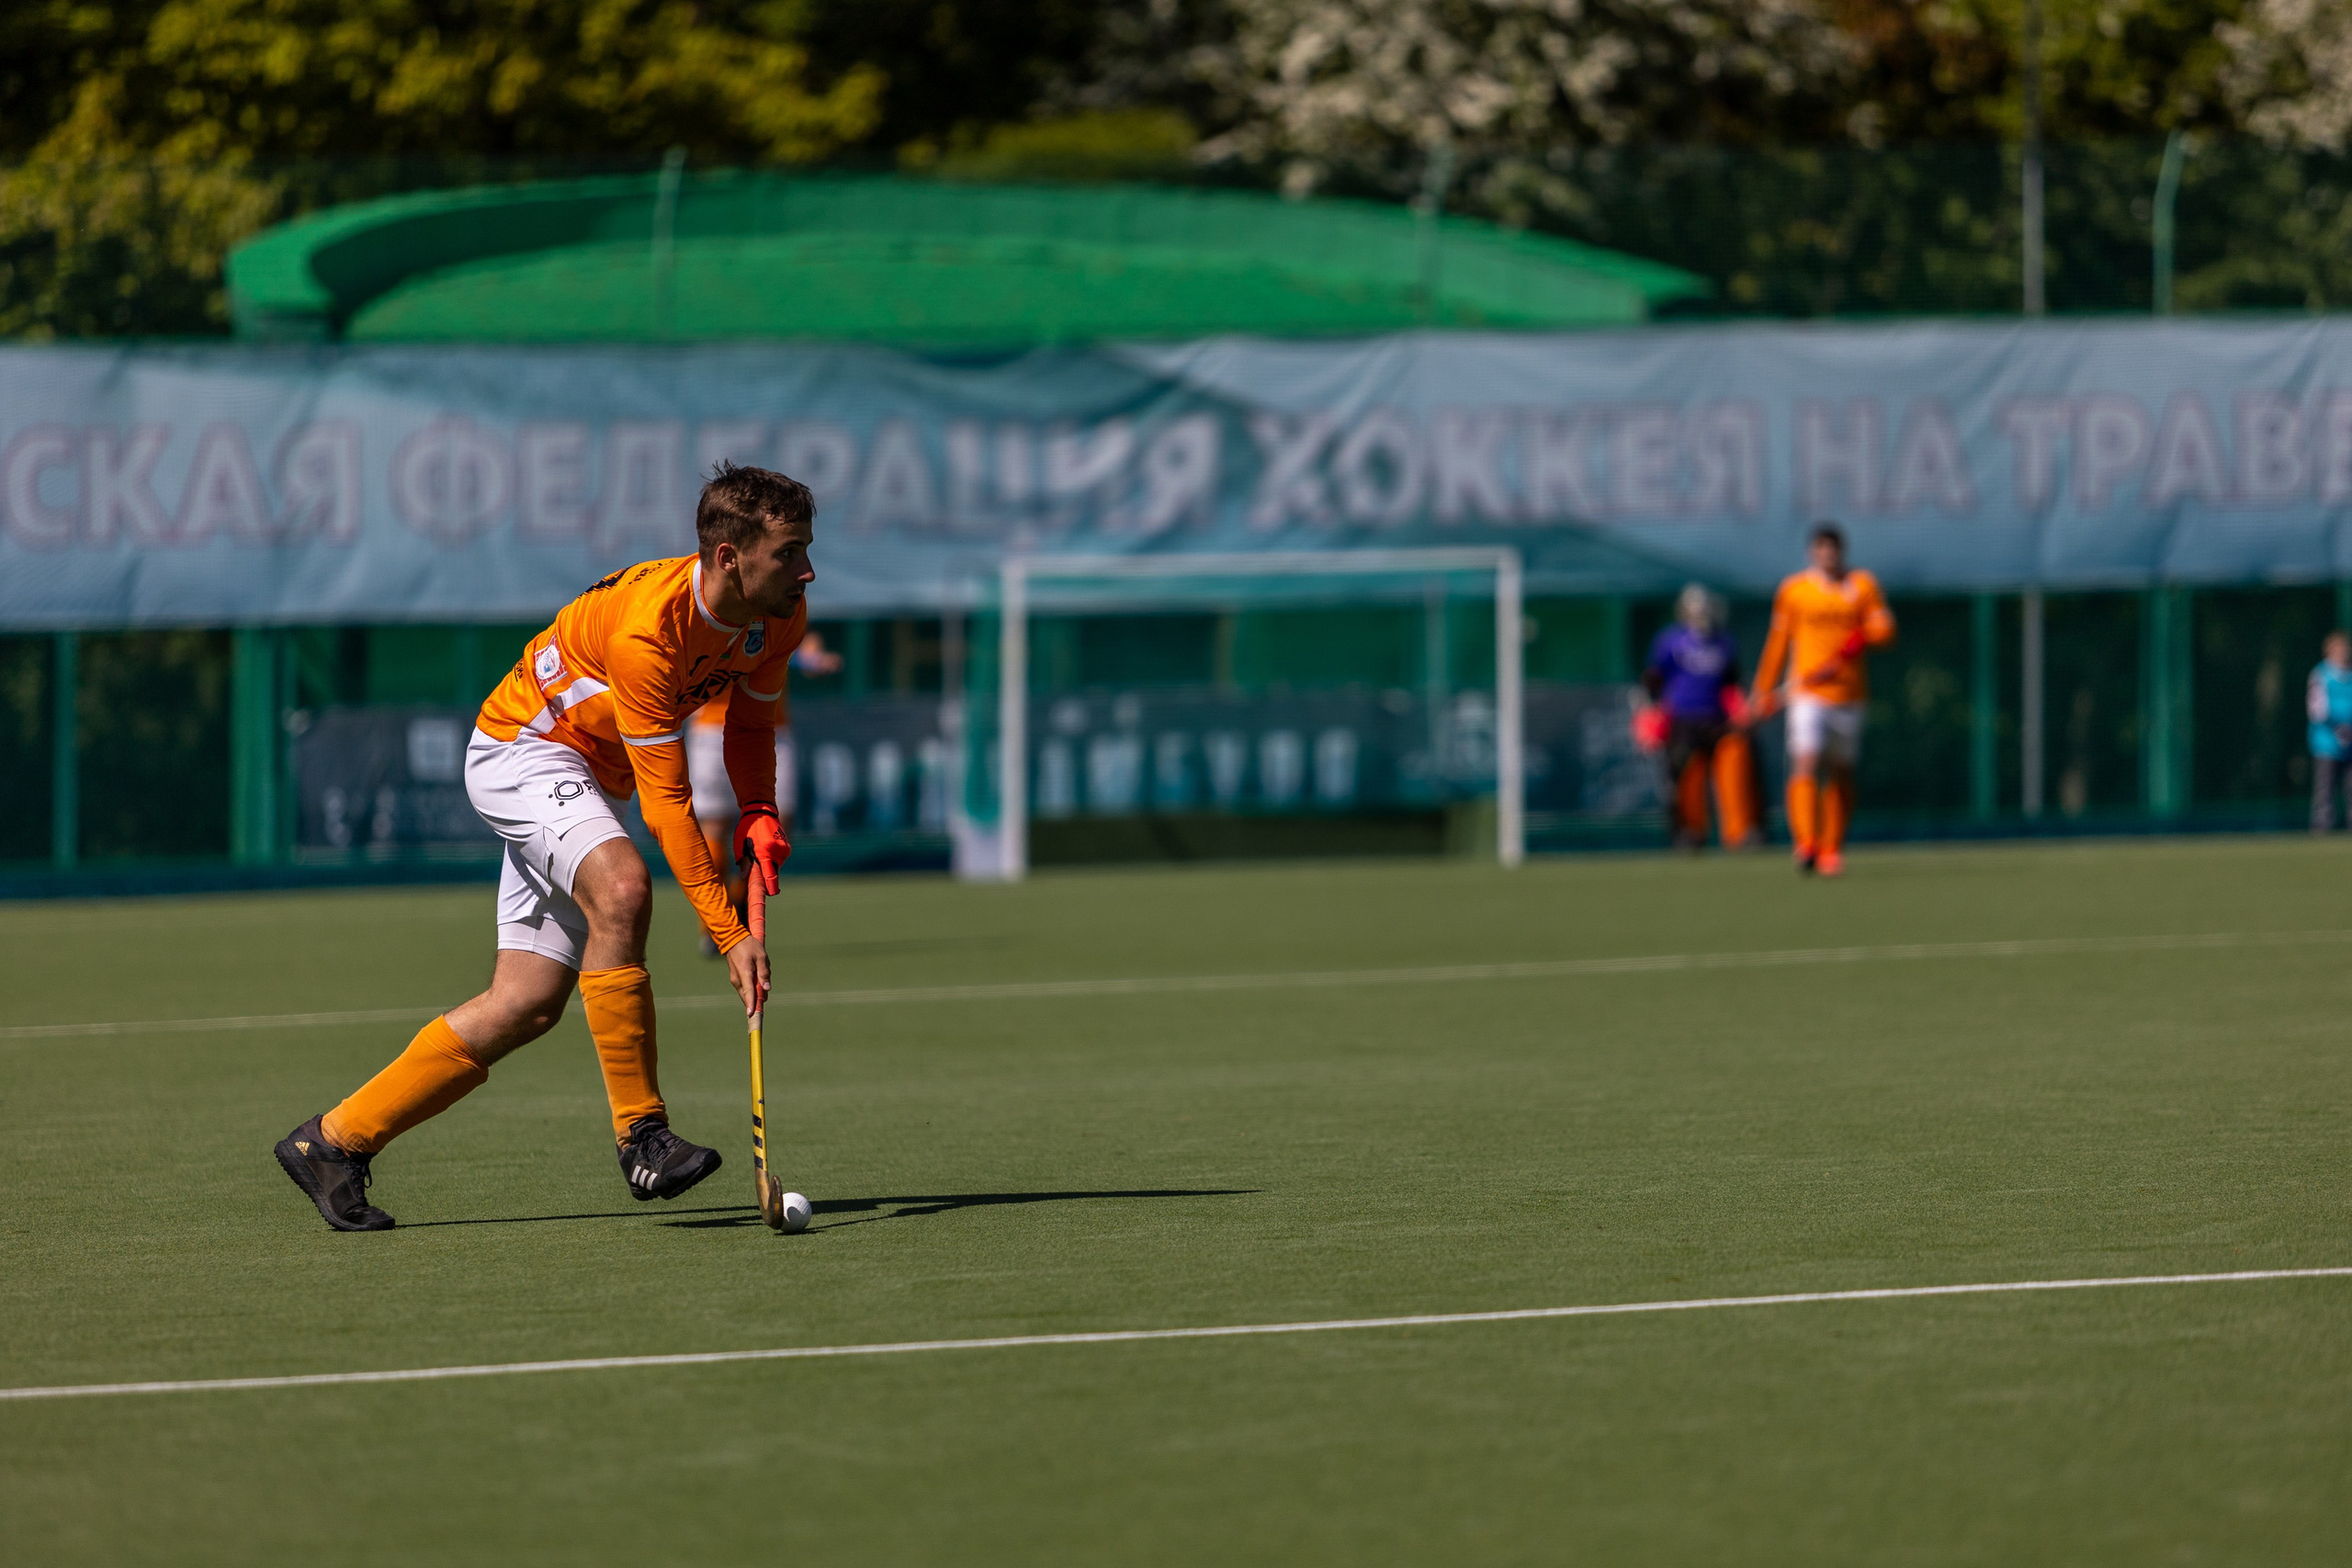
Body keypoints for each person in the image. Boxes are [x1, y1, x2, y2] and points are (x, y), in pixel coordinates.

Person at [274, 463, 813, 1231]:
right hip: (525, 749)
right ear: (730, 556)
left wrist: (758, 808)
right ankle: (643, 1138)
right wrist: (727, 931)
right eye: (790, 551)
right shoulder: (647, 630)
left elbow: (752, 725)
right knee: (623, 887)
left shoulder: (779, 614)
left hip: (590, 776)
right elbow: (667, 804)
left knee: (525, 1003)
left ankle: (332, 1141)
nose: (807, 569)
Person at [1750, 523, 1894, 878]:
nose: (1827, 555)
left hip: (1849, 694)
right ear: (1811, 553)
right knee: (1806, 761)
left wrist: (1860, 638)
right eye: (1821, 549)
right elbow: (1777, 644)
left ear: (1841, 552)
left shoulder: (1861, 585)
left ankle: (1832, 847)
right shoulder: (1794, 591)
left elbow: (1885, 628)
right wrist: (1763, 691)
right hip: (1806, 694)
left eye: (1833, 549)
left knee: (1841, 770)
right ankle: (1806, 843)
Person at [688, 629, 842, 955]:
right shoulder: (708, 605)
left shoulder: (777, 600)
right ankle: (715, 924)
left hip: (769, 727)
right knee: (715, 826)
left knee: (774, 827)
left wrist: (813, 657)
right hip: (714, 728)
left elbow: (800, 640)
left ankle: (740, 898)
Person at [1635, 584, 1757, 849]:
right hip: (1683, 720)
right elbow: (1653, 679)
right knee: (1688, 777)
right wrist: (1649, 715)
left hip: (1718, 720)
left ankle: (1738, 833)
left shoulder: (1724, 641)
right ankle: (1690, 832)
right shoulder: (1669, 640)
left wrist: (1741, 710)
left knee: (1733, 774)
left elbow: (1732, 682)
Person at [2310, 630, 2352, 831]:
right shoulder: (2320, 674)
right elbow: (2317, 709)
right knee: (2325, 789)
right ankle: (2322, 828)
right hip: (2327, 742)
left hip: (2350, 743)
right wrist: (2338, 729)